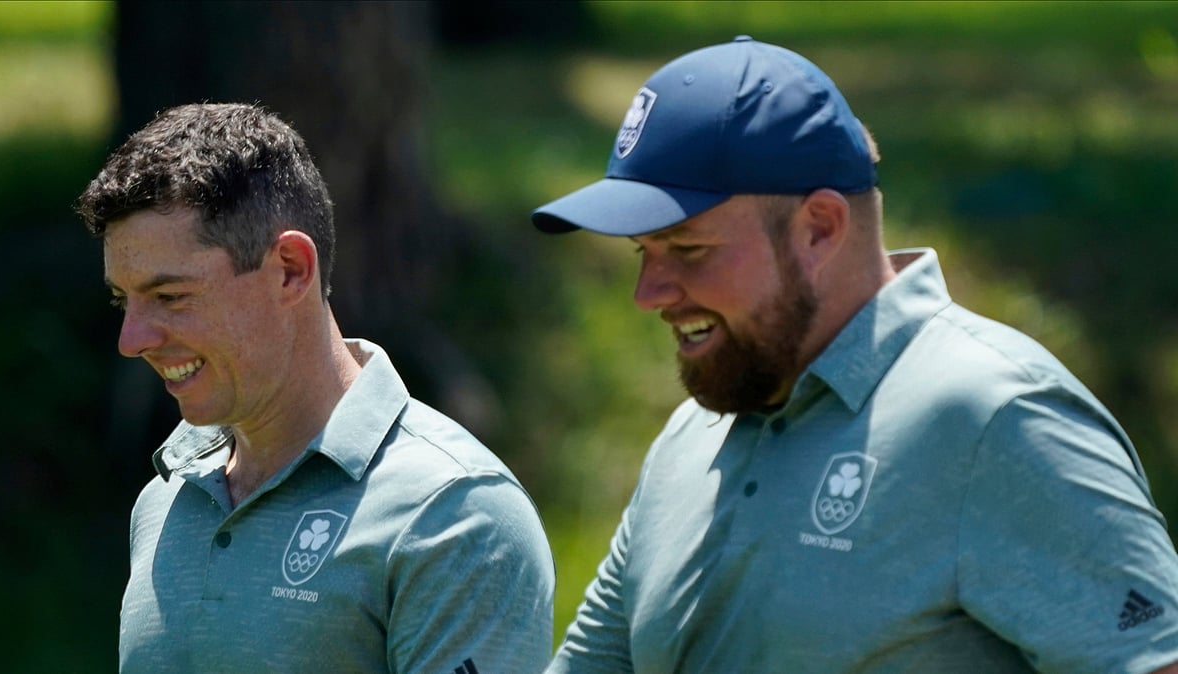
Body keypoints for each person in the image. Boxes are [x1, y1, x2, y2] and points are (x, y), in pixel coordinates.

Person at [530, 36, 1178, 673]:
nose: (649, 294)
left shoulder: (996, 417)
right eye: (644, 252)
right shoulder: (689, 441)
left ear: (820, 228)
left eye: (689, 249)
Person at [77, 102, 554, 673]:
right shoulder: (165, 500)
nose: (132, 340)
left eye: (170, 297)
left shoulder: (453, 514)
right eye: (121, 301)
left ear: (290, 270)